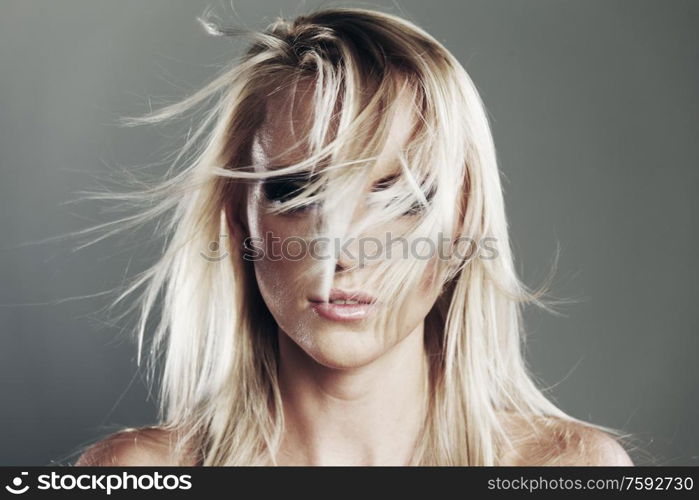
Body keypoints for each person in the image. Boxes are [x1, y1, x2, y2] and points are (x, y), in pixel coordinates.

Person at [74, 7, 633, 466]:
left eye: (401, 199)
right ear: (239, 217)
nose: (341, 253)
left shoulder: (571, 470)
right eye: (296, 193)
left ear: (462, 227)